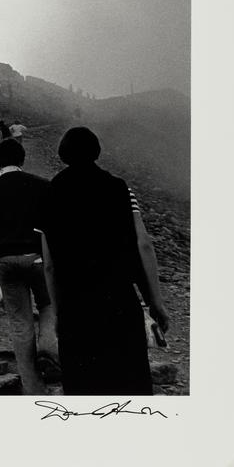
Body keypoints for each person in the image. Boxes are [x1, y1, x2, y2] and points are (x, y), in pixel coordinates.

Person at [37, 127, 170, 395]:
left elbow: (49, 263)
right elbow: (142, 245)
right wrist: (155, 302)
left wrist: (59, 310)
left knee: (84, 389)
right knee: (128, 384)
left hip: (76, 306)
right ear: (96, 151)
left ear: (63, 154)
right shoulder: (119, 188)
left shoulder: (49, 194)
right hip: (119, 302)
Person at [0, 138, 59, 394]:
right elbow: (54, 228)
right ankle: (48, 348)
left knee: (19, 323)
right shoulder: (41, 186)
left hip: (5, 263)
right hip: (38, 258)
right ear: (22, 159)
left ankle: (33, 388)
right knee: (48, 304)